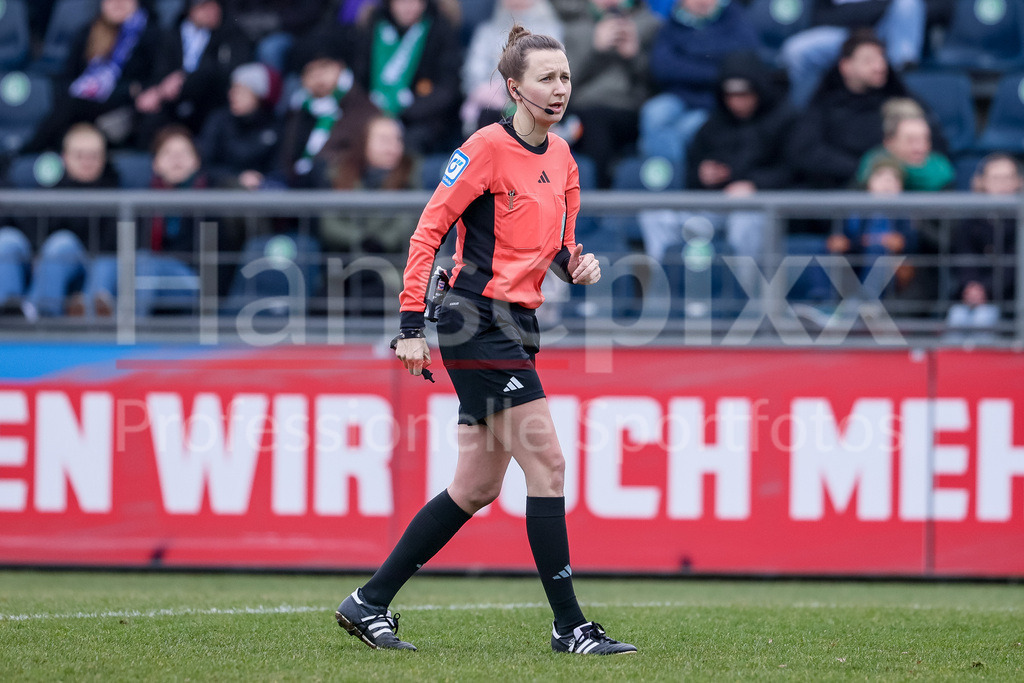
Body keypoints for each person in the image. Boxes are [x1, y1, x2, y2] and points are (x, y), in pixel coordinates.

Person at [333, 24, 636, 656]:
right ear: (514, 87)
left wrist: (575, 265)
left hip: (517, 324)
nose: (560, 88)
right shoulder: (483, 148)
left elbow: (558, 245)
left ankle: (368, 602)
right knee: (548, 464)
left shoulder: (563, 157)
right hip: (474, 320)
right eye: (547, 78)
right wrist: (410, 325)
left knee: (475, 488)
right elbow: (429, 231)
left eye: (566, 76)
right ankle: (570, 626)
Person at [788, 29, 939, 190]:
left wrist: (893, 171)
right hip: (839, 193)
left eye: (882, 58)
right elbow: (804, 151)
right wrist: (864, 170)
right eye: (868, 60)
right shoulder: (824, 103)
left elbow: (935, 144)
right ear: (845, 66)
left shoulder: (902, 100)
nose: (879, 66)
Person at [82, 124, 209, 316]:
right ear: (155, 163)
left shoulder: (211, 198)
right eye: (168, 153)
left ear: (197, 161)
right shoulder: (141, 199)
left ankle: (128, 328)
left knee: (145, 263)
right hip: (141, 271)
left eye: (184, 153)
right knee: (105, 263)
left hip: (190, 280)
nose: (176, 159)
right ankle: (89, 318)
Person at [0, 124, 122, 319]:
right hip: (39, 264)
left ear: (104, 158)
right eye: (80, 155)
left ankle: (36, 312)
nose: (87, 162)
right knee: (6, 240)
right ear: (65, 157)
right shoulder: (49, 188)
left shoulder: (116, 191)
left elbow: (110, 247)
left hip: (88, 269)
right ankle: (7, 312)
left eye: (93, 155)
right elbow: (29, 230)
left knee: (61, 243)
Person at [21, 0, 161, 153]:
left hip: (125, 109)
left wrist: (128, 90)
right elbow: (68, 77)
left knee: (69, 106)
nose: (117, 3)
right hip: (85, 104)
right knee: (65, 104)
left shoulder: (152, 35)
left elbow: (151, 81)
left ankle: (26, 152)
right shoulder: (88, 32)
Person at [637, 0, 760, 165]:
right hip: (678, 97)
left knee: (682, 131)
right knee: (653, 113)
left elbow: (742, 62)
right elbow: (663, 68)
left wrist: (688, 58)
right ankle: (671, 183)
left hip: (715, 102)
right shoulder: (673, 22)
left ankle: (678, 182)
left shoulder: (733, 18)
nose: (702, 2)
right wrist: (713, 63)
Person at [558, 0, 661, 188]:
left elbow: (657, 83)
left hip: (628, 109)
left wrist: (634, 56)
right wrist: (595, 50)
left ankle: (601, 199)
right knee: (593, 123)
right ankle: (596, 200)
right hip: (582, 109)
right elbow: (563, 82)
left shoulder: (649, 25)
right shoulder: (574, 28)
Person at [351, 0, 463, 155]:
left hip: (421, 118)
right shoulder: (373, 27)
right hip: (372, 113)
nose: (408, 7)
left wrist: (407, 111)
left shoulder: (439, 29)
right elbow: (359, 79)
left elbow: (447, 88)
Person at [134, 0, 252, 146]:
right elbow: (157, 71)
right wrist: (157, 90)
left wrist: (183, 81)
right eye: (204, 6)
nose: (212, 10)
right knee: (148, 116)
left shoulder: (231, 35)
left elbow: (223, 73)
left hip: (209, 102)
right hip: (170, 103)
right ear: (190, 9)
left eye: (215, 5)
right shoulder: (170, 35)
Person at [278, 29, 380, 188]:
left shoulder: (366, 110)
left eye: (324, 67)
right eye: (310, 71)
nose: (318, 76)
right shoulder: (298, 110)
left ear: (340, 66)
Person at [779, 0, 926, 108]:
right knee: (796, 50)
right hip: (844, 34)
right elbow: (821, 17)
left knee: (908, 2)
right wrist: (876, 8)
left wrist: (863, 12)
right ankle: (800, 109)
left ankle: (899, 77)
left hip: (885, 33)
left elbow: (940, 9)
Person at [945, 153, 1023, 342]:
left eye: (1008, 178)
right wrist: (971, 287)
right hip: (969, 297)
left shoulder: (1020, 223)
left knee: (983, 318)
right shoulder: (970, 222)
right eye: (996, 178)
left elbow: (1013, 267)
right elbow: (964, 259)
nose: (1002, 184)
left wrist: (985, 289)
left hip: (1008, 299)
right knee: (957, 317)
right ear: (982, 182)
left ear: (1018, 182)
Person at [461, 0, 564, 138]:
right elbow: (473, 74)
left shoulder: (551, 30)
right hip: (493, 102)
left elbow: (554, 70)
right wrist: (497, 92)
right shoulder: (487, 31)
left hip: (536, 100)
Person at [321, 115, 422, 254]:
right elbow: (329, 224)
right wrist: (360, 239)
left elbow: (409, 221)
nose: (393, 147)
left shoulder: (410, 175)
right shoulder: (339, 174)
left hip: (393, 263)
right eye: (384, 140)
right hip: (346, 263)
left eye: (398, 140)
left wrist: (381, 241)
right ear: (364, 141)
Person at [198, 61, 283, 189]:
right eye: (232, 89)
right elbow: (205, 164)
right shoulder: (218, 120)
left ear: (257, 95)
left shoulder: (273, 125)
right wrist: (237, 177)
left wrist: (259, 179)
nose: (232, 95)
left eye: (241, 91)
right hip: (221, 190)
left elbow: (279, 168)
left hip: (261, 191)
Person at [855, 98, 954, 192]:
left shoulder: (941, 170)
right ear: (888, 142)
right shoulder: (870, 168)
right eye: (910, 141)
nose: (919, 148)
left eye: (925, 139)